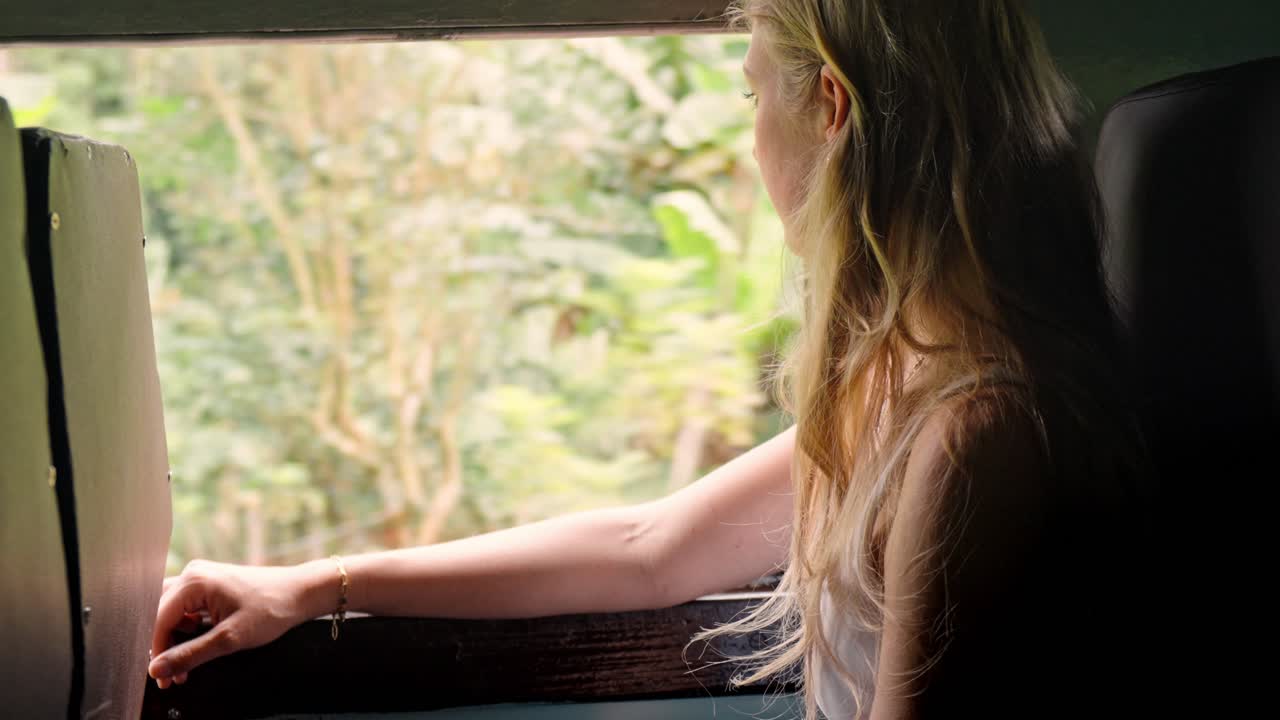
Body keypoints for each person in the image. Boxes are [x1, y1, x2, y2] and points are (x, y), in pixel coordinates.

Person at [150, 2, 1155, 717]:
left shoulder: (981, 431)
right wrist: (314, 585)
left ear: (831, 110)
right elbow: (651, 543)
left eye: (754, 96)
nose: (750, 140)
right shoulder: (904, 379)